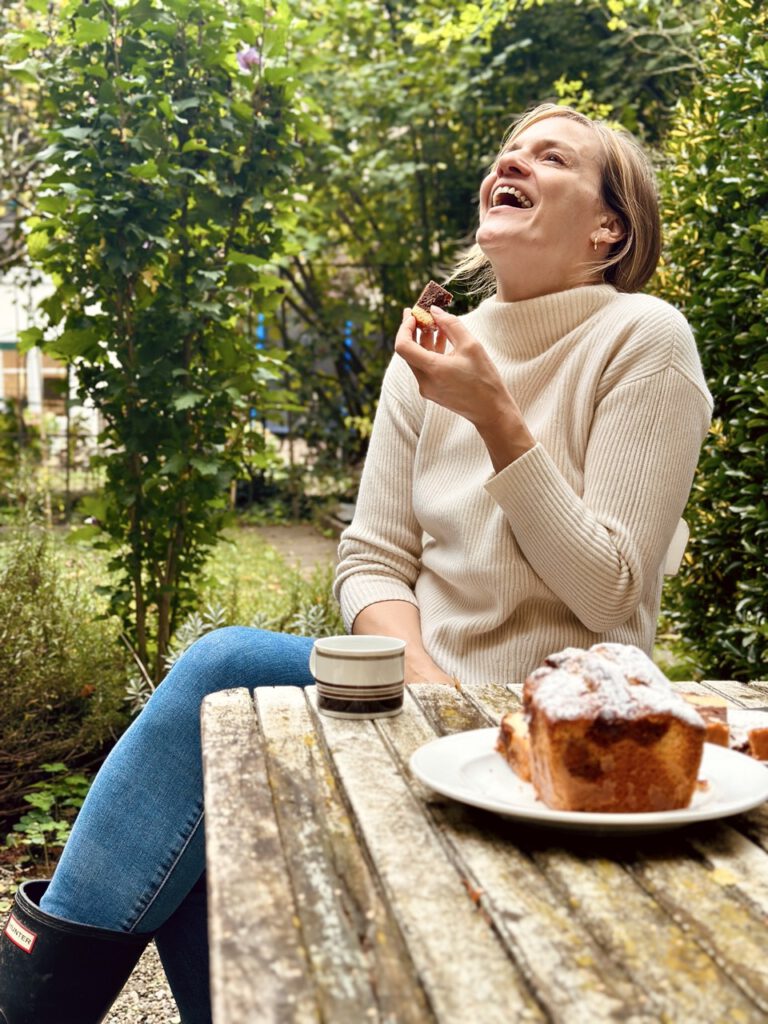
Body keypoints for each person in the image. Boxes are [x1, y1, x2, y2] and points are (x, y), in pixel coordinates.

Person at [0, 103, 712, 1023]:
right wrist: (426, 690)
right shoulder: (433, 351)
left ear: (607, 226)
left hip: (563, 738)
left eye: (551, 156)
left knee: (223, 673)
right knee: (221, 743)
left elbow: (609, 589)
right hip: (426, 695)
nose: (515, 162)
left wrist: (498, 420)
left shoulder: (644, 340)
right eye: (508, 152)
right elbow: (372, 559)